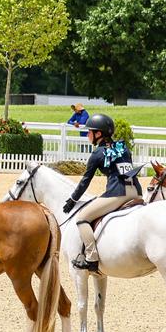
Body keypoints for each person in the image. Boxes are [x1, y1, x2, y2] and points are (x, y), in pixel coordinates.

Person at [59, 113, 141, 271]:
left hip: (117, 193)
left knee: (82, 218)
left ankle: (91, 257)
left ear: (98, 134)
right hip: (136, 192)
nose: (87, 135)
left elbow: (85, 181)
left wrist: (73, 199)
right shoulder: (123, 148)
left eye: (90, 132)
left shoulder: (98, 153)